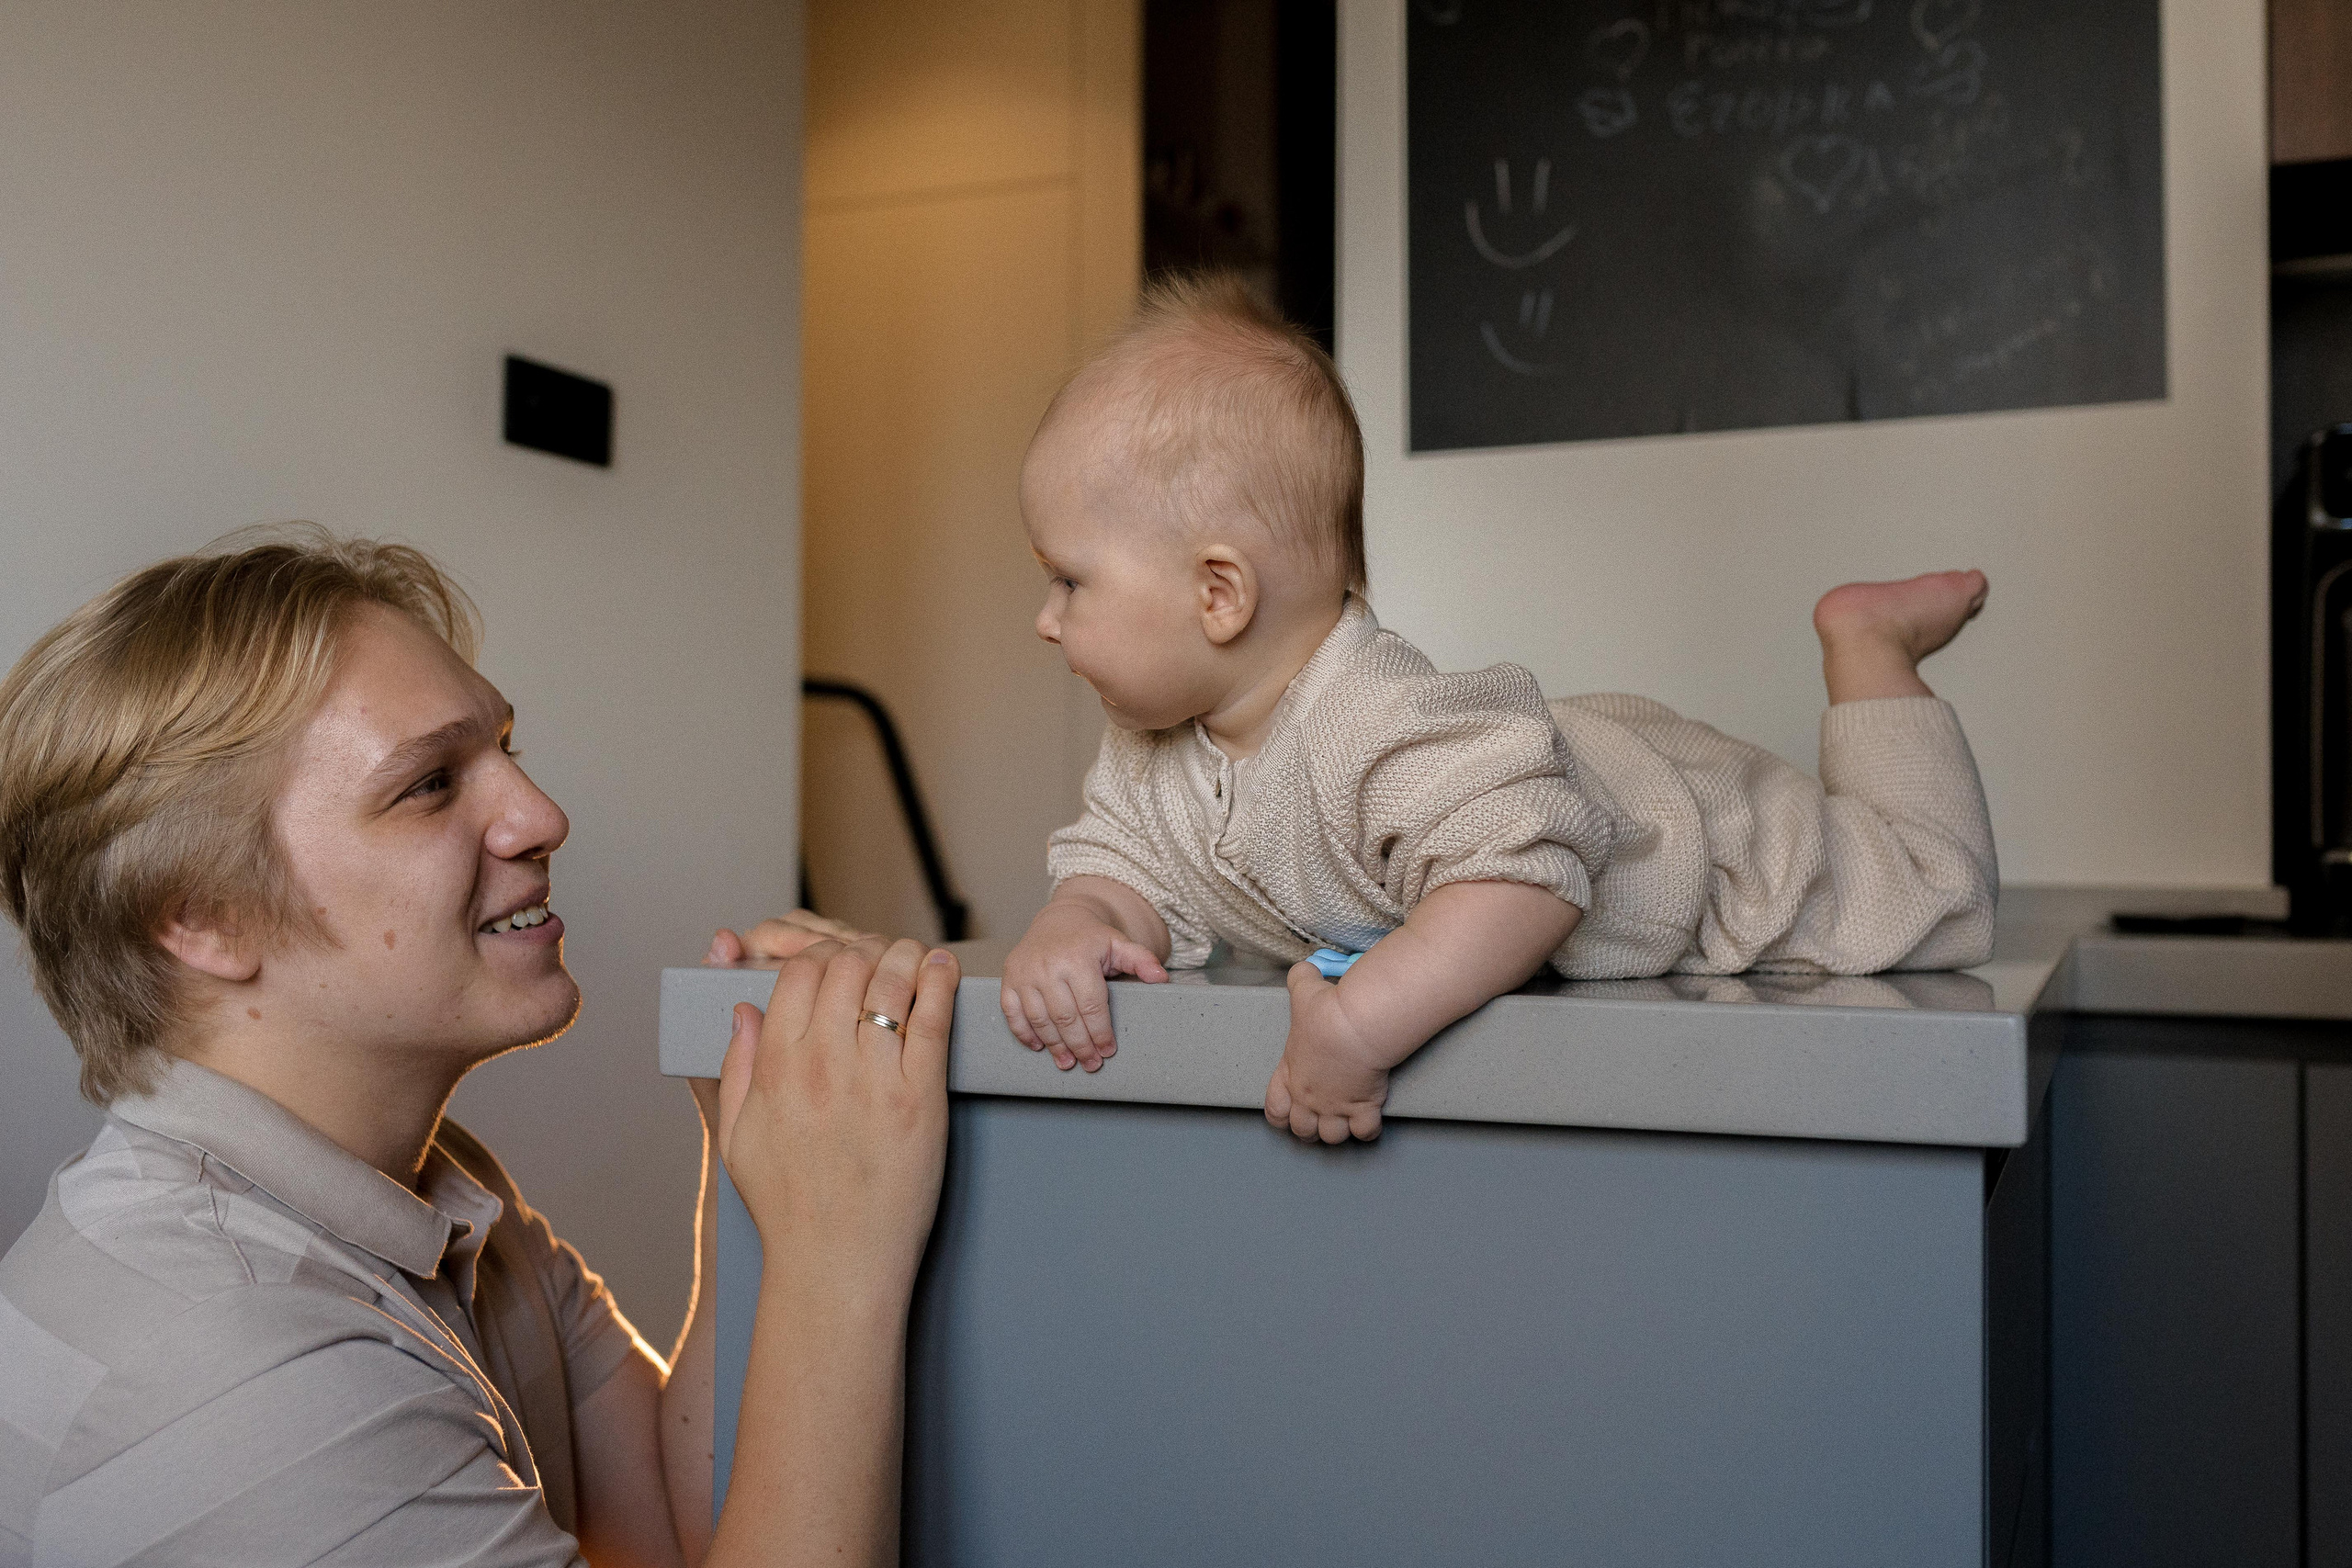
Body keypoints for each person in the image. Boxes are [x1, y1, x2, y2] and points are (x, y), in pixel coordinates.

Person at [0, 528, 952, 1568]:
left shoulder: (443, 1197)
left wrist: (761, 1161)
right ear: (203, 915)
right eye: (430, 784)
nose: (541, 817)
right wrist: (836, 1255)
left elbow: (668, 1531)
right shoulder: (230, 1358)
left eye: (507, 752)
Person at [1001, 273, 1998, 1145]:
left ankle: (1871, 648)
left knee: (1935, 894)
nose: (1045, 622)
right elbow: (1123, 871)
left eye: (1069, 582)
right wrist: (1076, 924)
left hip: (1702, 846)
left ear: (1219, 593)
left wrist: (1363, 1025)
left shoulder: (1368, 720)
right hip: (1541, 764)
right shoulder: (1151, 752)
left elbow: (1525, 876)